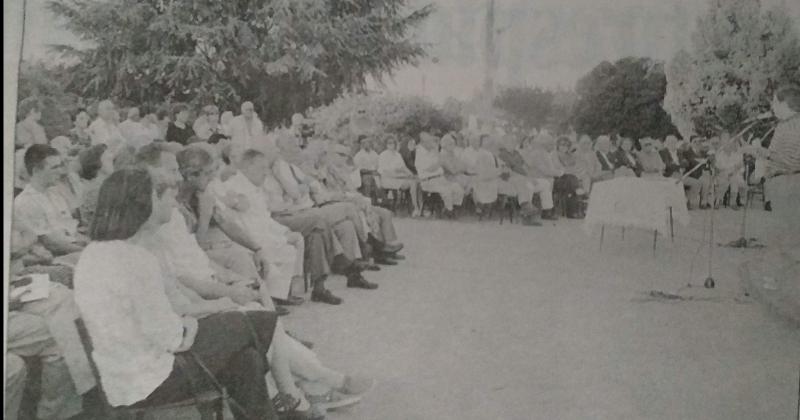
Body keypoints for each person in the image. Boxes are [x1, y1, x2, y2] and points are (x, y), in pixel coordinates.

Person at [74, 169, 280, 419]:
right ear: (142, 204)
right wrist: (192, 323)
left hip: (122, 377)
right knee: (253, 322)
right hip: (151, 380)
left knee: (247, 360)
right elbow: (170, 337)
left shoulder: (93, 253)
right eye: (157, 196)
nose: (166, 202)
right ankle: (281, 401)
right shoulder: (136, 258)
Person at [13, 145, 87, 258]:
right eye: (54, 167)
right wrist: (87, 252)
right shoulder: (26, 202)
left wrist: (91, 245)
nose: (61, 171)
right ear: (36, 170)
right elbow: (52, 244)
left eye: (60, 166)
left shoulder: (55, 193)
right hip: (52, 258)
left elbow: (72, 230)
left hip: (72, 249)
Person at [415, 132, 464, 216]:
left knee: (458, 189)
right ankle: (450, 212)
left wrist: (437, 153)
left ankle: (450, 210)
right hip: (428, 181)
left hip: (440, 178)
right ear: (423, 143)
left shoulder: (432, 151)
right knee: (446, 191)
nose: (432, 143)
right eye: (429, 141)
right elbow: (429, 169)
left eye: (431, 141)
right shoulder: (420, 154)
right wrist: (439, 162)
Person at [520, 132, 559, 220]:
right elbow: (542, 169)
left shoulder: (542, 153)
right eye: (548, 144)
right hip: (525, 179)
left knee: (546, 184)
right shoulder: (536, 153)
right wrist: (559, 173)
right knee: (531, 185)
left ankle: (547, 211)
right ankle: (527, 213)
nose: (550, 146)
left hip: (535, 179)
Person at [378, 135, 420, 215]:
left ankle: (416, 208)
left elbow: (403, 168)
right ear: (386, 145)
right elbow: (386, 172)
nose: (391, 145)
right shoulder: (383, 155)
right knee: (411, 182)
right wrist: (401, 175)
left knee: (414, 182)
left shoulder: (398, 155)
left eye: (393, 143)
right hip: (388, 180)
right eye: (389, 143)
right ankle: (415, 208)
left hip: (399, 179)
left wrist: (411, 174)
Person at [77, 144, 114, 227]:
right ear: (97, 162)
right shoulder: (95, 187)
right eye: (108, 159)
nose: (112, 161)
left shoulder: (106, 182)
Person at [552, 137, 585, 219]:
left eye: (567, 145)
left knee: (571, 181)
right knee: (572, 180)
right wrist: (568, 170)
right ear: (558, 145)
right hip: (557, 179)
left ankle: (573, 212)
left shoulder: (570, 155)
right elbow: (557, 168)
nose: (564, 147)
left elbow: (576, 167)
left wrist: (570, 169)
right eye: (562, 145)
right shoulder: (554, 154)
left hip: (569, 180)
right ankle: (573, 212)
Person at [353, 135, 383, 202]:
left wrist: (377, 171)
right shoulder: (358, 155)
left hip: (375, 173)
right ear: (361, 145)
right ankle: (367, 201)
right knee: (368, 181)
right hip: (364, 175)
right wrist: (371, 172)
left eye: (368, 142)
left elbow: (379, 164)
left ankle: (380, 201)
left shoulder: (374, 153)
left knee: (379, 181)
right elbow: (360, 169)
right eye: (364, 143)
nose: (366, 144)